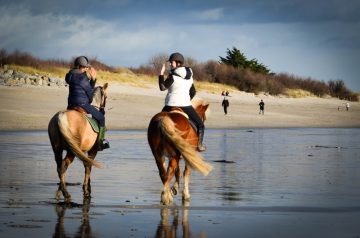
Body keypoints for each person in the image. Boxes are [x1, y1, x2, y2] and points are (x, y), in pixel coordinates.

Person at [158, 52, 206, 151]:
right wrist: (186, 100)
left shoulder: (173, 76)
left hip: (170, 105)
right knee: (200, 125)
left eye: (172, 62)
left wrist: (161, 74)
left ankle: (159, 145)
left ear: (178, 63)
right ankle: (200, 145)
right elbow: (193, 92)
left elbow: (162, 87)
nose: (170, 64)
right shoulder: (190, 77)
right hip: (186, 105)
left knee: (158, 123)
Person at [65, 56, 110, 151]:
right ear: (82, 67)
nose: (87, 69)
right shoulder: (83, 78)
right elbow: (89, 98)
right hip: (82, 104)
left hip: (70, 105)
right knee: (101, 118)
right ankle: (101, 142)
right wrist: (93, 80)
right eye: (86, 67)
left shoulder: (69, 75)